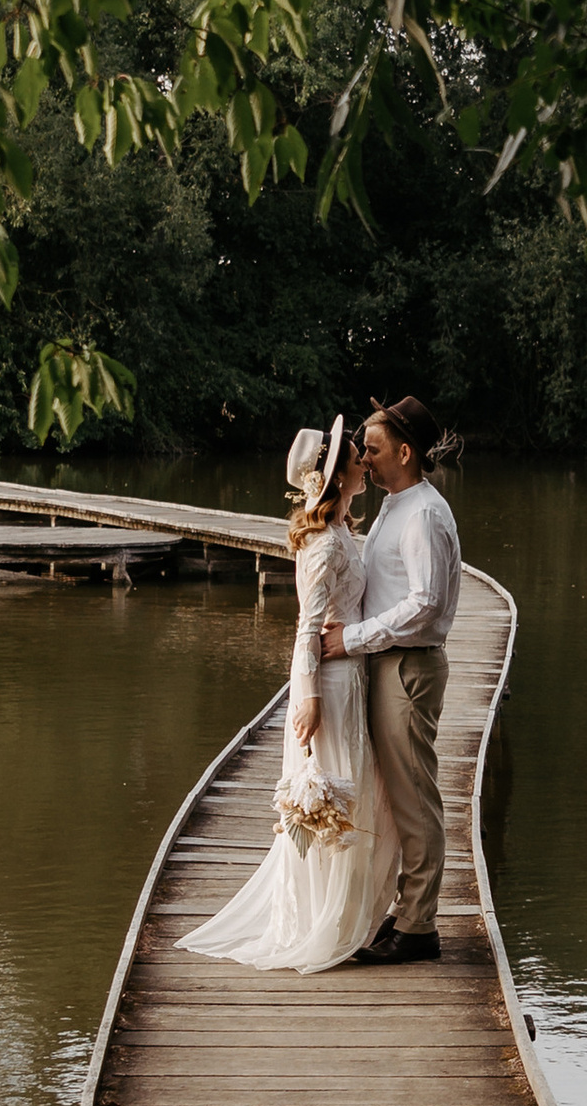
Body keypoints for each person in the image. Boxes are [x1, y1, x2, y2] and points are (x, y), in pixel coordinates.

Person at [178, 420, 399, 974]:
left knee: (352, 793)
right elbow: (306, 627)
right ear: (336, 476)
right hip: (332, 686)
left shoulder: (342, 530)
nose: (364, 463)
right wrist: (306, 698)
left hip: (354, 675)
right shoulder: (322, 544)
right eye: (356, 457)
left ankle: (348, 914)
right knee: (333, 795)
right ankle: (323, 919)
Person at [321, 393, 462, 964]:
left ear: (405, 453)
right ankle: (404, 911)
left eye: (373, 449)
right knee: (396, 795)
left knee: (414, 797)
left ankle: (419, 927)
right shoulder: (395, 505)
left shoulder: (423, 513)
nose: (364, 458)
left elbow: (425, 603)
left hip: (408, 666)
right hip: (388, 663)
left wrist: (351, 638)